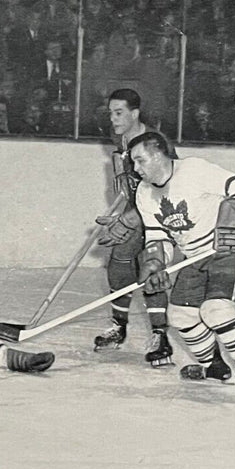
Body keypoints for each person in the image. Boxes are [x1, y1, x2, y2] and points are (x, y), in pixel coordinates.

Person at [128, 132, 235, 404]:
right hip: (195, 256)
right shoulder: (144, 193)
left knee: (216, 309)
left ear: (159, 154)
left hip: (231, 249)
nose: (136, 169)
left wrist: (232, 219)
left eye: (140, 160)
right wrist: (156, 263)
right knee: (180, 315)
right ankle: (215, 366)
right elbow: (158, 237)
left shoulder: (193, 169)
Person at [91, 89, 174, 366]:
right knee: (119, 261)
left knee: (149, 265)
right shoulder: (120, 137)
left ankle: (161, 335)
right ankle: (119, 326)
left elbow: (167, 190)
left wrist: (133, 218)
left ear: (135, 114)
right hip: (137, 209)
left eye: (119, 113)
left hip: (161, 212)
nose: (112, 119)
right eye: (110, 113)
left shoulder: (155, 143)